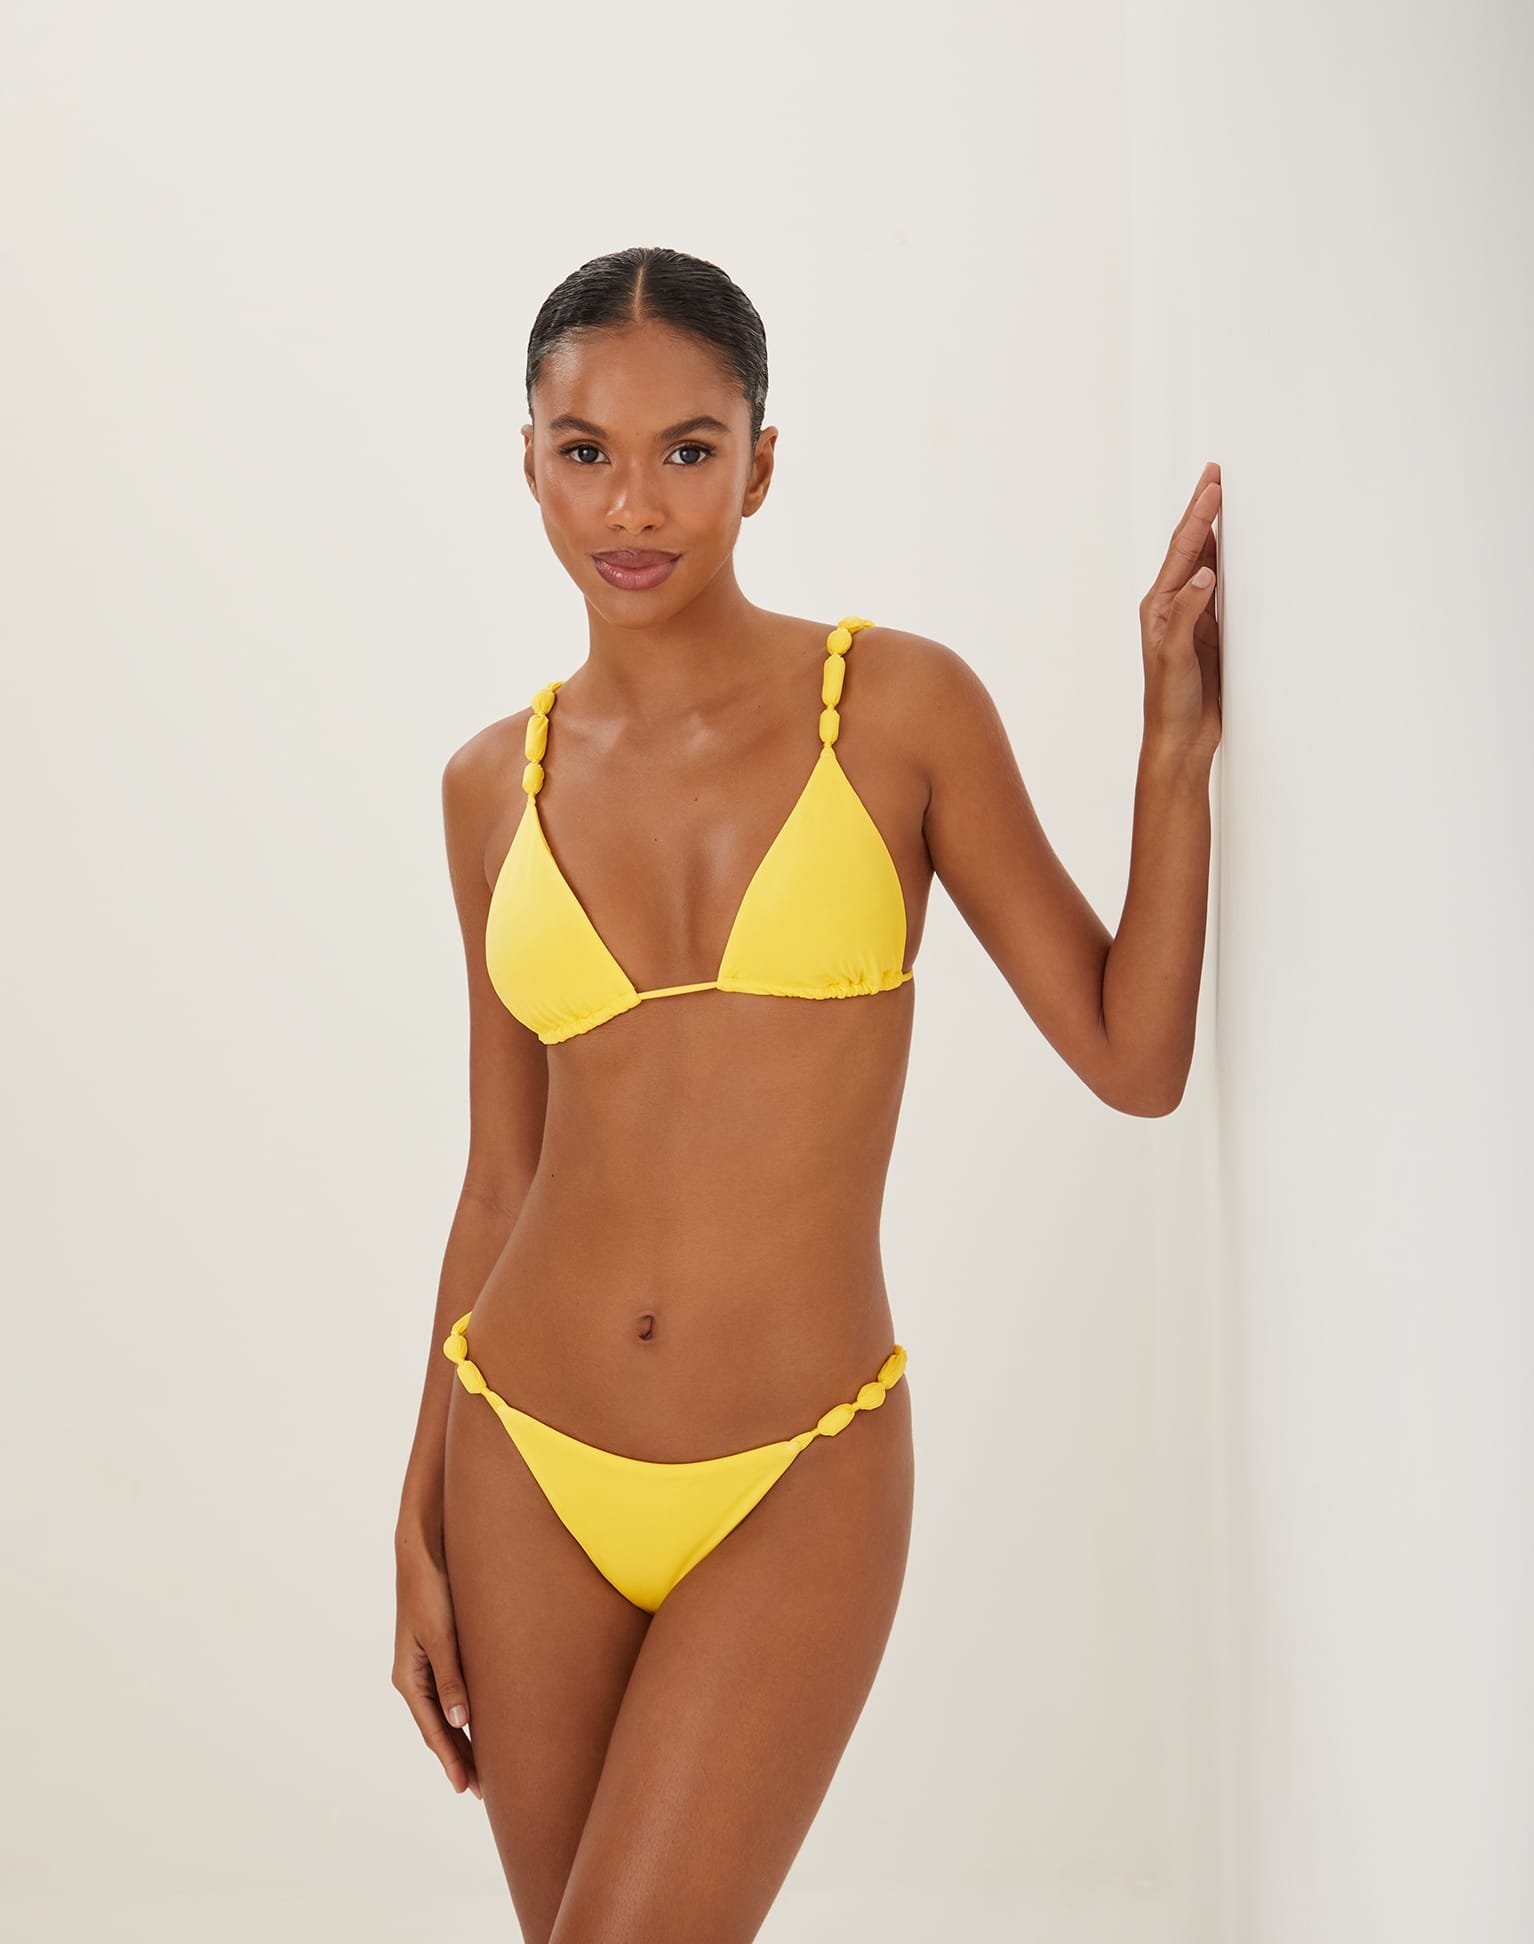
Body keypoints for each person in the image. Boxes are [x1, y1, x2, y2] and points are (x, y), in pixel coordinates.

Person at [391, 244, 1222, 1943]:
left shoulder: (895, 706)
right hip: (520, 1456)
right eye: (585, 450)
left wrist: (1167, 753)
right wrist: (415, 1513)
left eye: (687, 450)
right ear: (529, 461)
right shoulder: (488, 785)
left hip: (800, 1463)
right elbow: (496, 1178)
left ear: (760, 464)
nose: (634, 504)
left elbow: (1131, 1059)